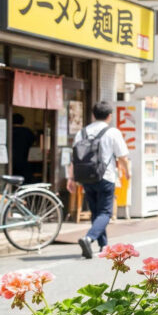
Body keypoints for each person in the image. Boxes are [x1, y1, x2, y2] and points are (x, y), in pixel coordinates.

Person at [67, 101, 130, 259]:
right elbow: (122, 156)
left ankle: (104, 246)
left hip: (86, 177)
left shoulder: (82, 132)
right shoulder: (112, 132)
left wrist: (71, 178)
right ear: (109, 116)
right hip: (105, 176)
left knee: (96, 212)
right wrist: (127, 172)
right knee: (105, 213)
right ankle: (89, 238)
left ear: (93, 115)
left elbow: (74, 158)